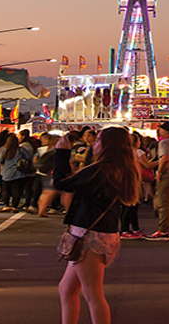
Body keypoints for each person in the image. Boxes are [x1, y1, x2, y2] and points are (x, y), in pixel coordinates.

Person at [57, 126, 143, 324]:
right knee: (67, 289)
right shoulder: (120, 168)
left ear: (106, 146)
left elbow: (62, 182)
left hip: (90, 235)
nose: (93, 144)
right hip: (100, 233)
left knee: (92, 294)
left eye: (97, 142)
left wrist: (61, 153)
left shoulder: (100, 170)